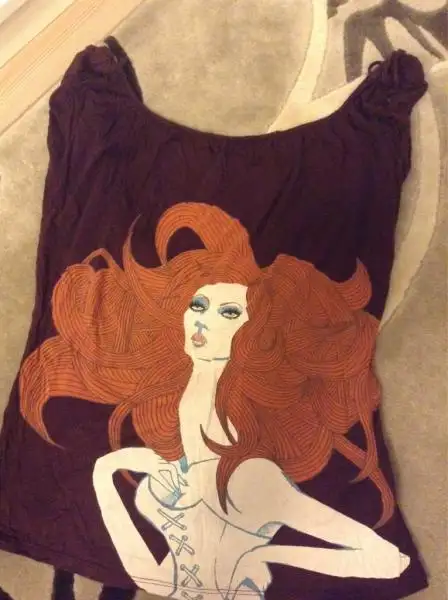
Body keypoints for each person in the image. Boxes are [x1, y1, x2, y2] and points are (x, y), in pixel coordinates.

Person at [19, 202, 410, 599]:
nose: (204, 319)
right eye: (199, 305)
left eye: (229, 312)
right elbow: (154, 579)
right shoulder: (176, 466)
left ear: (256, 332)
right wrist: (106, 472)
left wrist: (267, 556)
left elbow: (387, 560)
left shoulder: (253, 478)